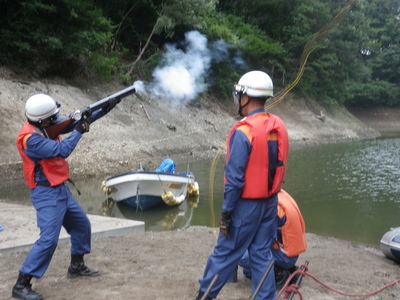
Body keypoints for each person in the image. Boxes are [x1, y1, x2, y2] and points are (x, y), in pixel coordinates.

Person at [13, 94, 118, 300]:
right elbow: (63, 149)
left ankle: (76, 266)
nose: (57, 118)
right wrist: (79, 131)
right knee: (48, 240)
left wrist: (103, 110)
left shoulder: (42, 124)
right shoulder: (31, 139)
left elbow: (73, 122)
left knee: (81, 225)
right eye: (54, 117)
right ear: (44, 120)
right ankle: (21, 284)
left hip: (59, 187)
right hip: (46, 192)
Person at [195, 70, 289, 300]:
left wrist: (227, 212)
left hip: (245, 206)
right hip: (269, 203)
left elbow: (235, 180)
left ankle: (205, 296)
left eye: (239, 95)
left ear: (246, 97)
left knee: (225, 253)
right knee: (261, 253)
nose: (237, 99)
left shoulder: (245, 131)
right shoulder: (278, 126)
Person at [229, 189, 307, 290]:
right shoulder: (274, 194)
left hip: (285, 256)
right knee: (248, 271)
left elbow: (262, 242)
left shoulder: (273, 209)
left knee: (241, 256)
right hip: (285, 250)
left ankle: (281, 275)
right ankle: (278, 269)